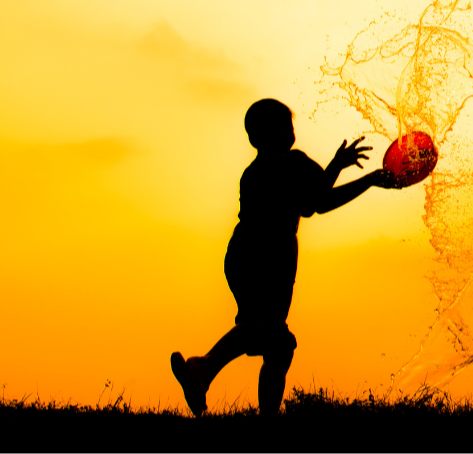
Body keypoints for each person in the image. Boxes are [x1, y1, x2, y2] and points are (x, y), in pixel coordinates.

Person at [170, 98, 401, 416]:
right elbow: (319, 202)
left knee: (277, 343)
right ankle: (203, 368)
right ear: (273, 134)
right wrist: (370, 180)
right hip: (271, 256)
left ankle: (253, 410)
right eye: (286, 127)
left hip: (242, 254)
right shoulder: (294, 162)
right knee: (263, 330)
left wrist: (335, 166)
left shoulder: (252, 172)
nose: (291, 132)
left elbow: (308, 202)